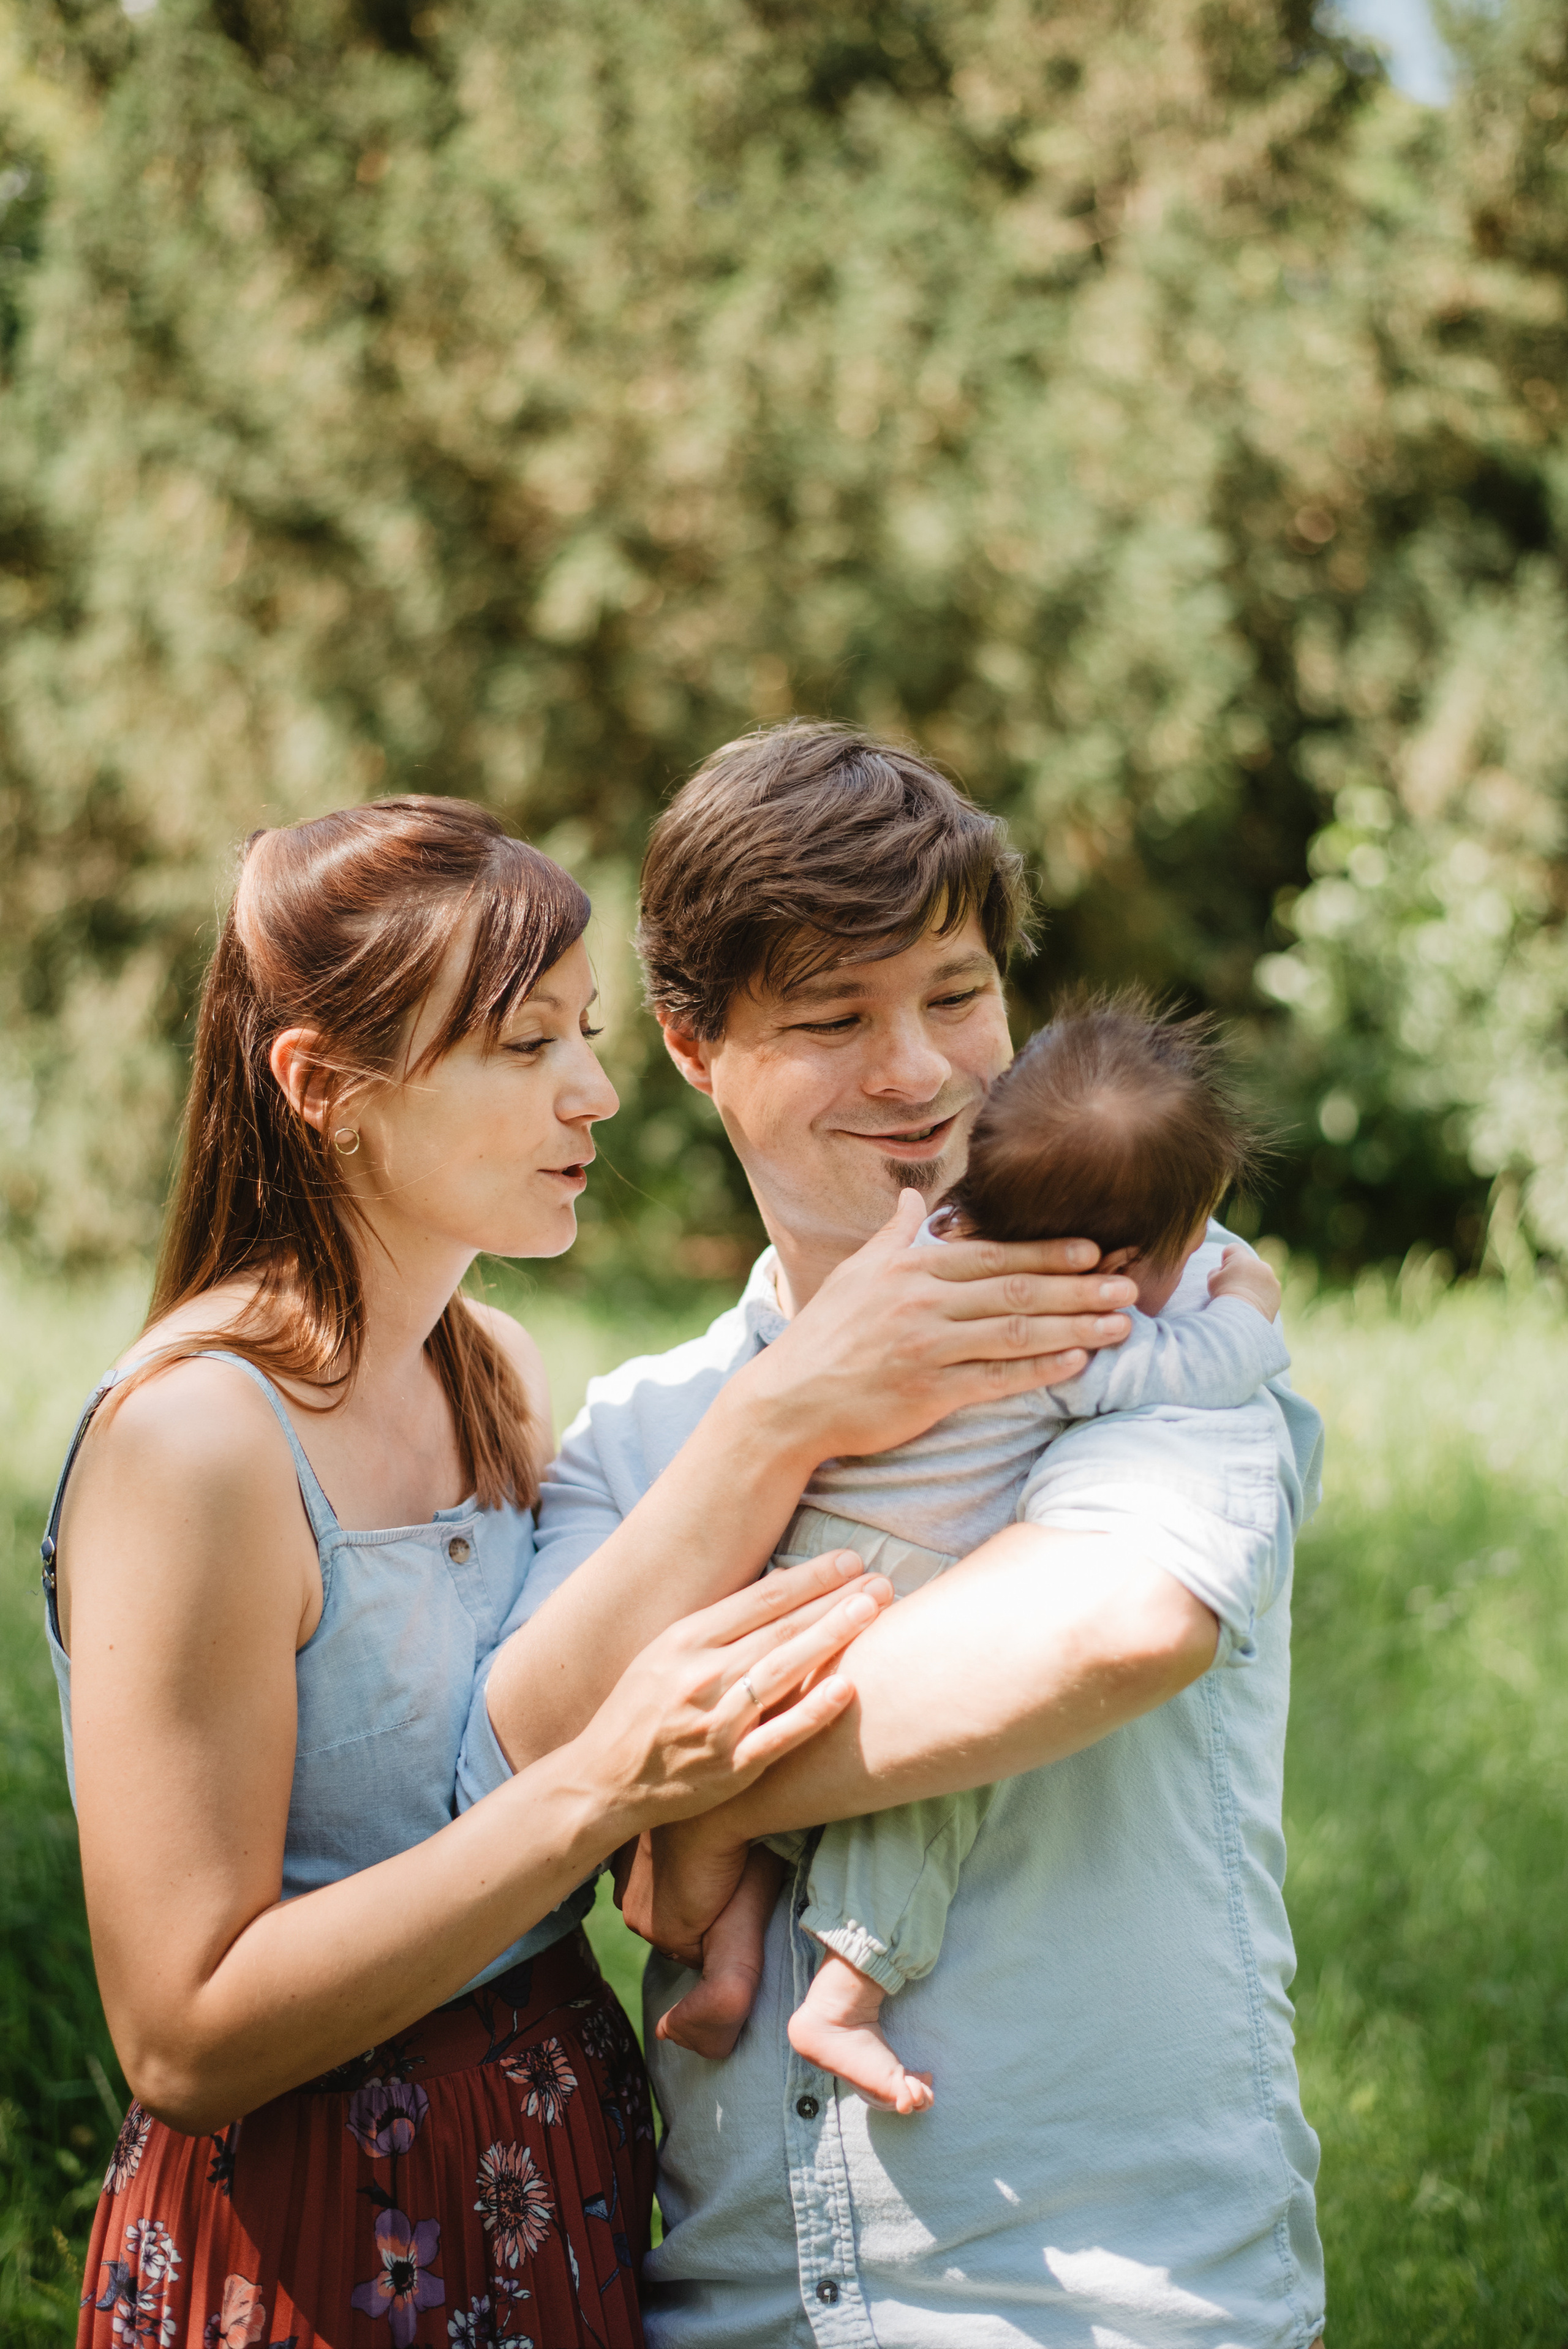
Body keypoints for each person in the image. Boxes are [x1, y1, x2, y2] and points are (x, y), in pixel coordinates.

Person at [44, 795, 1118, 2349]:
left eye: (586, 1034)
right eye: (524, 1046)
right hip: (322, 2224)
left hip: (561, 2162)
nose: (595, 1093)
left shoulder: (492, 1372)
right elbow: (183, 2040)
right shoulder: (197, 1440)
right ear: (323, 1088)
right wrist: (610, 1785)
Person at [472, 722, 1329, 2349]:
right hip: (732, 2307)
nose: (920, 1071)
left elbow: (1113, 1627)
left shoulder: (1150, 1303)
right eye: (832, 1018)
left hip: (1093, 2306)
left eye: (954, 994)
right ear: (692, 1047)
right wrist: (781, 1417)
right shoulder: (649, 1429)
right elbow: (519, 1760)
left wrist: (678, 1794)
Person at [655, 993, 1292, 2119]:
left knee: (763, 1814)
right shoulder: (1068, 1324)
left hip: (795, 1561)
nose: (1195, 1265)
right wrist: (1245, 1305)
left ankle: (729, 1968)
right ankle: (844, 1992)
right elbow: (1193, 1369)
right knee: (924, 1785)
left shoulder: (930, 1245)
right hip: (896, 1584)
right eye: (1188, 1248)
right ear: (1119, 1261)